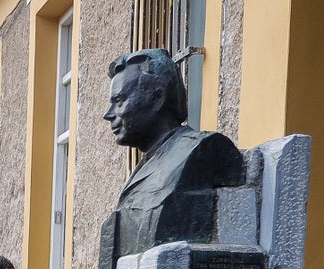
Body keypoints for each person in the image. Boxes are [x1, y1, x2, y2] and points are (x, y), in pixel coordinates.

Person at [103, 49, 245, 257]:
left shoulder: (200, 150)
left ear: (158, 98)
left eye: (120, 101)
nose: (108, 115)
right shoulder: (150, 161)